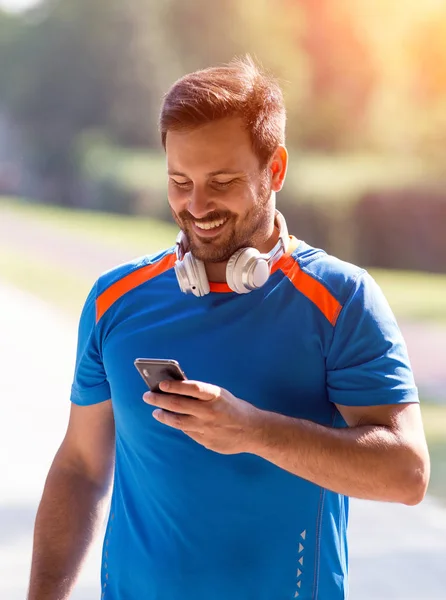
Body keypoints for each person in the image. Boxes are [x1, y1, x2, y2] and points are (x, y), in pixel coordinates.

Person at [27, 56, 430, 600]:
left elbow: (407, 474)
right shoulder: (115, 301)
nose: (196, 206)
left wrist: (254, 431)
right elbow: (79, 466)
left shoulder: (343, 300)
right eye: (179, 181)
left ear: (276, 170)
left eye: (222, 181)